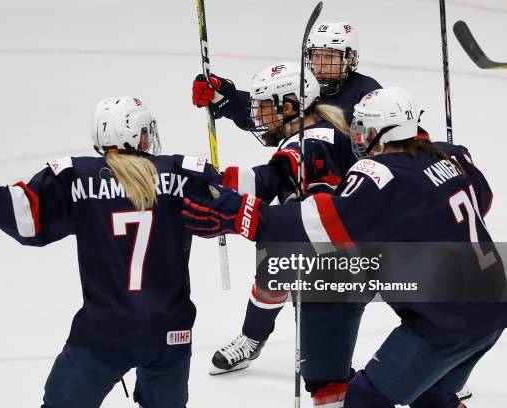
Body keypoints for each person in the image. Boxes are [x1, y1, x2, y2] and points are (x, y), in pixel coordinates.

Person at [182, 87, 506, 408]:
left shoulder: (382, 173)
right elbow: (483, 201)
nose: (359, 140)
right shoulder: (452, 155)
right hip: (493, 306)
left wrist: (240, 214)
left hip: (446, 324)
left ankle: (326, 385)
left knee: (366, 398)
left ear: (387, 131)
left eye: (365, 131)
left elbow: (314, 225)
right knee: (431, 396)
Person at [0, 96, 222, 408]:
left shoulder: (75, 176)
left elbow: (23, 214)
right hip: (170, 334)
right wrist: (231, 104)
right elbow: (244, 198)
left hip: (104, 332)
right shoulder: (185, 174)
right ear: (134, 135)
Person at [205, 62, 366, 407]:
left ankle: (430, 378)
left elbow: (310, 203)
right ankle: (254, 339)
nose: (258, 116)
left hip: (341, 254)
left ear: (290, 107)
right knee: (274, 269)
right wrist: (216, 181)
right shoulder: (311, 133)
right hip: (328, 241)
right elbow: (274, 178)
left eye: (264, 106)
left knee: (320, 340)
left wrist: (213, 186)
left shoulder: (314, 143)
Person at [191, 21, 381, 142]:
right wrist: (223, 97)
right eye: (316, 56)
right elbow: (268, 113)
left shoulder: (368, 93)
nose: (321, 65)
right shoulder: (301, 85)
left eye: (330, 57)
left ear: (349, 59)